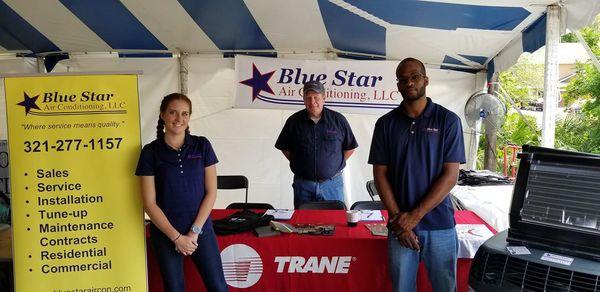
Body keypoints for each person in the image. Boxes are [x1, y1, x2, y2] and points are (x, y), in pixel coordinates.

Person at [368, 58, 465, 292]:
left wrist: (415, 216)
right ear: (398, 85)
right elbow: (380, 174)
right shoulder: (385, 124)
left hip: (439, 225)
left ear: (426, 80)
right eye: (402, 79)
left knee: (445, 288)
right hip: (399, 226)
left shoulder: (448, 121)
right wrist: (401, 221)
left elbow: (450, 175)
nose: (409, 82)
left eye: (414, 76)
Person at [136, 93, 228, 292]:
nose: (179, 119)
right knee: (175, 288)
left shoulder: (202, 145)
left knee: (218, 287)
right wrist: (177, 238)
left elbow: (211, 192)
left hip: (201, 230)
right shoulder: (150, 152)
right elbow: (149, 203)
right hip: (165, 234)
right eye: (173, 113)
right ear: (162, 115)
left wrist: (194, 232)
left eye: (185, 114)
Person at [275, 80, 358, 208]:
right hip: (303, 185)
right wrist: (301, 163)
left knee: (335, 223)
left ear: (324, 98)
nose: (312, 102)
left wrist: (333, 166)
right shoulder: (293, 122)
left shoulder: (338, 120)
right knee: (303, 224)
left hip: (332, 185)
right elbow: (285, 148)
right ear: (303, 99)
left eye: (316, 97)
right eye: (308, 98)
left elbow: (350, 147)